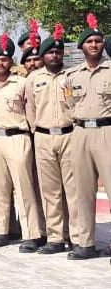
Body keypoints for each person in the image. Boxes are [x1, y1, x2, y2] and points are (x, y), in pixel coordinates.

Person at [0, 33, 46, 251]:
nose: (0, 63)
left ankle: (31, 233)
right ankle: (0, 230)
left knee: (23, 187)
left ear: (10, 61)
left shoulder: (22, 83)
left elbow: (30, 112)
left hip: (17, 136)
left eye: (4, 59)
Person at [24, 23, 76, 254]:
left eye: (58, 52)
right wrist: (36, 130)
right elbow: (30, 109)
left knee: (73, 189)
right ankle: (55, 237)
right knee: (50, 190)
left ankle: (75, 235)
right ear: (43, 56)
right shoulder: (33, 79)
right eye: (50, 52)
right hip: (44, 137)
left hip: (69, 135)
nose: (55, 55)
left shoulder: (71, 76)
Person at [63, 14, 111, 261]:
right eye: (89, 41)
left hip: (106, 131)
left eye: (98, 41)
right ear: (81, 46)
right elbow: (68, 103)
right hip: (80, 132)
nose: (94, 45)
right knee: (82, 190)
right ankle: (86, 242)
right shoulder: (72, 75)